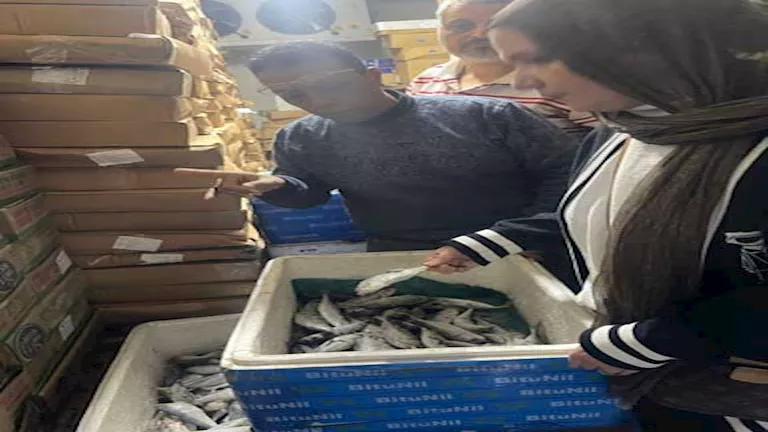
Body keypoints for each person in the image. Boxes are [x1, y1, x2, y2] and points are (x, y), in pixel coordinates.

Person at [425, 0, 768, 429]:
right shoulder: (621, 130)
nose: (522, 80)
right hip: (635, 371)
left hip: (729, 389)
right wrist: (499, 240)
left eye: (535, 58)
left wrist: (657, 339)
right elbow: (614, 216)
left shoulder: (755, 146)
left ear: (636, 49)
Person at [176, 41, 577, 252]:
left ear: (371, 76)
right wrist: (277, 188)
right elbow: (309, 192)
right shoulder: (301, 137)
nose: (316, 100)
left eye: (329, 84)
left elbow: (564, 171)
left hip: (516, 249)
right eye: (294, 94)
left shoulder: (484, 115)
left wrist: (525, 237)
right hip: (401, 254)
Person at [407, 0, 598, 139]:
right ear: (439, 31)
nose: (479, 34)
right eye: (461, 26)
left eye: (492, 25)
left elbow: (605, 149)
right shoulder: (425, 81)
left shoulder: (563, 79)